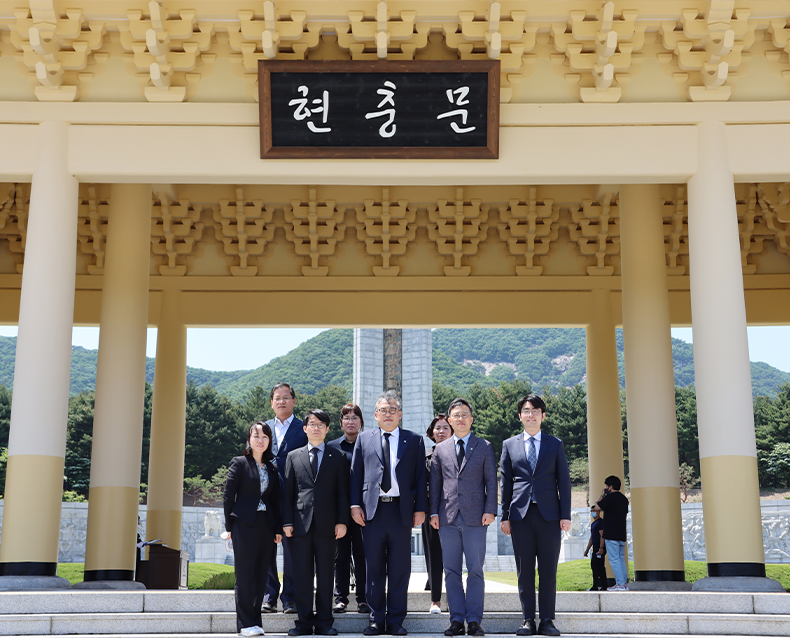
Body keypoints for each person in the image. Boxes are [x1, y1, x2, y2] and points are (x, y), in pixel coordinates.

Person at [350, 390, 428, 636]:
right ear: (375, 415)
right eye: (383, 410)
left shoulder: (413, 440)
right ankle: (376, 619)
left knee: (399, 569)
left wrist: (420, 509)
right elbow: (356, 475)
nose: (388, 414)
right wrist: (354, 505)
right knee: (373, 568)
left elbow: (420, 477)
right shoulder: (364, 439)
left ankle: (395, 620)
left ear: (400, 414)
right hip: (371, 512)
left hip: (401, 512)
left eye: (392, 410)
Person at [500, 394, 571, 637]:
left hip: (550, 516)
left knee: (549, 570)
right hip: (520, 515)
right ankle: (528, 620)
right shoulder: (509, 445)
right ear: (520, 416)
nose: (530, 415)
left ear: (543, 415)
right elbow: (506, 483)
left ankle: (548, 620)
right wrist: (504, 515)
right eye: (526, 411)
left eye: (535, 410)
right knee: (525, 570)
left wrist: (566, 515)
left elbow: (564, 482)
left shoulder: (555, 444)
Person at [430, 398, 497, 637]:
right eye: (456, 415)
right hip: (447, 518)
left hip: (476, 517)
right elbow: (436, 483)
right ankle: (456, 620)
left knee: (475, 570)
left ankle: (474, 621)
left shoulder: (484, 446)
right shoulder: (441, 449)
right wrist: (434, 512)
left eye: (464, 414)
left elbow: (491, 481)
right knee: (451, 571)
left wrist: (491, 510)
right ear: (449, 420)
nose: (460, 418)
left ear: (471, 419)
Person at [282, 409, 350, 636]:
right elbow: (288, 493)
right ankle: (303, 623)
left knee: (325, 575)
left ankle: (324, 623)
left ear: (328, 429)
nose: (317, 428)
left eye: (321, 424)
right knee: (302, 575)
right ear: (305, 428)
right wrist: (287, 522)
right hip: (300, 525)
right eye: (312, 424)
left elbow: (342, 494)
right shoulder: (294, 456)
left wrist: (342, 522)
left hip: (328, 526)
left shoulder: (338, 456)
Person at [223, 421, 284, 637]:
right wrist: (229, 526)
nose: (260, 440)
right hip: (243, 524)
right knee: (245, 575)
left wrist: (277, 529)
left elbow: (275, 501)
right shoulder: (239, 463)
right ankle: (244, 624)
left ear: (269, 441)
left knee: (261, 576)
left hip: (266, 526)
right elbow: (229, 496)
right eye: (256, 436)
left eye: (265, 437)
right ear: (249, 440)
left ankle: (256, 622)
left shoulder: (272, 468)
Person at [264, 383, 306, 614]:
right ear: (272, 403)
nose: (281, 401)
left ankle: (289, 597)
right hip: (268, 497)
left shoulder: (304, 428)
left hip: (295, 497)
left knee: (293, 550)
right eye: (277, 398)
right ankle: (269, 595)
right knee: (267, 547)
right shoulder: (263, 428)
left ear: (294, 401)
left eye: (286, 397)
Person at [327, 403, 371, 615]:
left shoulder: (370, 444)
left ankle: (363, 599)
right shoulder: (332, 447)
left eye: (355, 418)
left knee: (363, 556)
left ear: (361, 422)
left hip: (365, 511)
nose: (351, 421)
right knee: (340, 557)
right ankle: (341, 598)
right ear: (341, 422)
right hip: (340, 513)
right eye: (347, 418)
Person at [423, 414, 453, 615]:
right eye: (437, 428)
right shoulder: (424, 456)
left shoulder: (460, 453)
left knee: (453, 557)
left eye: (445, 428)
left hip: (454, 511)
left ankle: (455, 598)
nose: (441, 431)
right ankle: (435, 598)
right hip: (431, 511)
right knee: (433, 554)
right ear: (432, 433)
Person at [593, 475, 630, 591]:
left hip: (611, 534)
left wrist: (602, 495)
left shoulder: (610, 498)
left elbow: (596, 507)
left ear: (610, 487)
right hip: (621, 533)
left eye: (606, 486)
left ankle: (620, 583)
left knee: (614, 559)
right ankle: (624, 583)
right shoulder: (624, 499)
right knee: (620, 558)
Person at [583, 507, 606, 591]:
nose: (593, 512)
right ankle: (596, 585)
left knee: (600, 567)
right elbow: (592, 538)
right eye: (591, 511)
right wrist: (587, 549)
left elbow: (602, 536)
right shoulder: (593, 524)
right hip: (595, 547)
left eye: (594, 511)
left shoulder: (600, 522)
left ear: (599, 512)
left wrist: (601, 547)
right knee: (594, 566)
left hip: (599, 548)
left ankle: (602, 586)